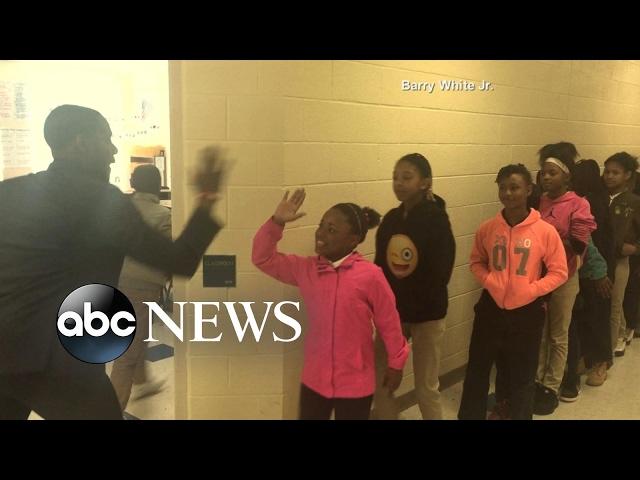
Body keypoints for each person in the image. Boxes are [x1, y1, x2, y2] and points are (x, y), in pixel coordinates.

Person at [0, 105, 227, 419]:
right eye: (106, 138)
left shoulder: (9, 193)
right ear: (81, 142)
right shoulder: (102, 200)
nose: (113, 150)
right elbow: (179, 260)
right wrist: (207, 200)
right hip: (60, 359)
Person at [252, 189, 409, 420]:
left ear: (353, 240)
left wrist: (397, 363)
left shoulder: (370, 276)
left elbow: (389, 322)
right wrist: (276, 222)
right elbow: (262, 258)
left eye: (331, 229)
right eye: (321, 225)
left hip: (356, 382)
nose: (320, 233)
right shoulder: (306, 269)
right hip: (315, 381)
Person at [458, 164, 567, 420]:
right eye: (503, 188)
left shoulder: (545, 231)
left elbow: (559, 271)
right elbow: (476, 262)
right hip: (490, 309)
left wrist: (532, 290)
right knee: (478, 369)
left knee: (522, 374)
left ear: (529, 189)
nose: (508, 193)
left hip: (526, 313)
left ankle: (513, 412)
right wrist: (491, 281)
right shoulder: (488, 228)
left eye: (515, 187)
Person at [373, 153, 455, 420]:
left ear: (425, 182)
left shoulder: (436, 219)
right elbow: (379, 268)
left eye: (407, 177)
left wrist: (410, 305)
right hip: (392, 315)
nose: (398, 183)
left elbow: (441, 271)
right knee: (380, 378)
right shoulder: (391, 220)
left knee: (425, 387)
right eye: (395, 177)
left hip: (427, 315)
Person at [534, 142, 596, 415]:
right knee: (540, 331)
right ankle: (536, 381)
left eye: (552, 173)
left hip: (564, 277)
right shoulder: (541, 201)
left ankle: (552, 385)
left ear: (566, 175)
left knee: (558, 334)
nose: (546, 177)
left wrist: (553, 239)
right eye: (543, 173)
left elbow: (580, 244)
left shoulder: (578, 204)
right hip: (540, 275)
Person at [110, 164, 171, 411]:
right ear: (158, 185)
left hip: (114, 282)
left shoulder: (120, 210)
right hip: (142, 288)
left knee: (136, 337)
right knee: (126, 355)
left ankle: (143, 381)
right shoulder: (163, 215)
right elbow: (167, 256)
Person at [603, 152, 640, 357]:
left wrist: (635, 249)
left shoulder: (634, 202)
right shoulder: (598, 198)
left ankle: (606, 354)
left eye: (615, 173)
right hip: (601, 261)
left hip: (620, 261)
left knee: (614, 305)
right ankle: (622, 332)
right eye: (606, 171)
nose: (609, 176)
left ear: (627, 175)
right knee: (607, 303)